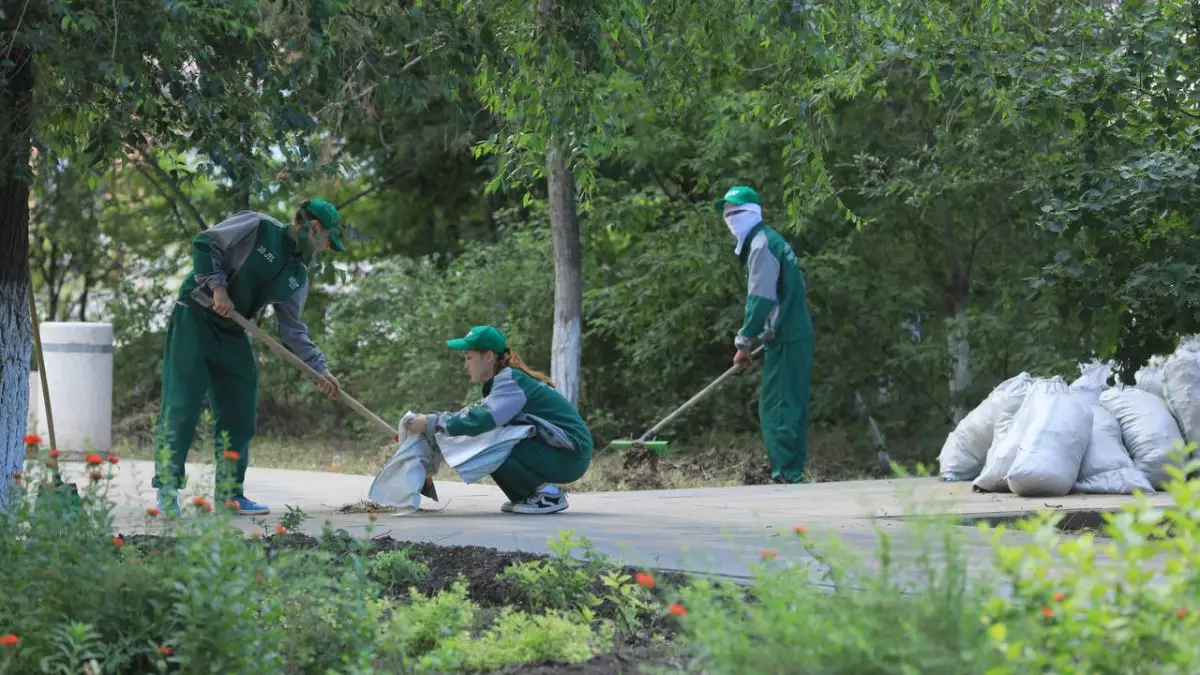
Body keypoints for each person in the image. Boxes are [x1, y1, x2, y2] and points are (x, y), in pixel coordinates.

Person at [152, 198, 347, 516]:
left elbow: (293, 330)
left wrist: (319, 371)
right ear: (313, 228)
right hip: (195, 315)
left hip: (232, 331)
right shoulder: (258, 226)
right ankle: (167, 489)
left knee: (239, 409)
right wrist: (217, 288)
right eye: (326, 241)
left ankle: (230, 494)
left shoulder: (297, 274)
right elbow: (205, 242)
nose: (324, 248)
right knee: (182, 405)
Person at [403, 325, 593, 514]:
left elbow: (481, 420)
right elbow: (471, 414)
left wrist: (432, 423)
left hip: (569, 454)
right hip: (560, 451)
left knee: (488, 443)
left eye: (469, 358)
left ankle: (548, 494)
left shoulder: (511, 382)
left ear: (488, 356)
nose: (465, 365)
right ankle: (529, 496)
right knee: (487, 441)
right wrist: (432, 425)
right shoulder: (504, 381)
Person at [713, 185, 815, 484]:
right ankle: (792, 472)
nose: (731, 218)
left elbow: (761, 298)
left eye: (737, 212)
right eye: (727, 214)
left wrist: (743, 341)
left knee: (777, 407)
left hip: (786, 338)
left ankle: (786, 474)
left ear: (753, 212)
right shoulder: (770, 240)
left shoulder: (760, 245)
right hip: (790, 335)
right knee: (789, 403)